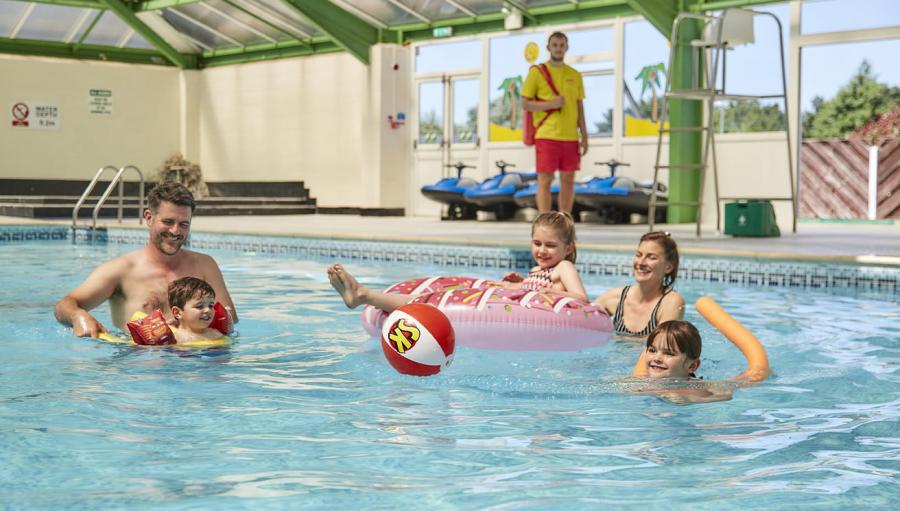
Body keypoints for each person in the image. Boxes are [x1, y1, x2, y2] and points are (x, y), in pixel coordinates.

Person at [55, 181, 237, 337]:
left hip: (197, 364)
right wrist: (79, 317)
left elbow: (229, 318)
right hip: (142, 366)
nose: (175, 231)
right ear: (149, 218)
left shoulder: (205, 265)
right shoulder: (122, 270)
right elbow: (65, 305)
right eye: (168, 222)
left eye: (183, 224)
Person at [328, 211, 589, 312]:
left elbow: (580, 297)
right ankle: (365, 295)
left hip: (497, 312)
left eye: (551, 246)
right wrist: (521, 282)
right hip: (494, 301)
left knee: (431, 303)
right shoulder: (540, 269)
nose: (542, 251)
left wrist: (530, 289)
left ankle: (363, 295)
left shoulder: (564, 266)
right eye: (537, 243)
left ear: (568, 249)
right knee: (436, 296)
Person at [521, 31, 588, 215]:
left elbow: (579, 107)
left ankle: (564, 220)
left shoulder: (575, 75)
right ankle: (544, 220)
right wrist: (550, 104)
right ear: (548, 47)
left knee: (568, 179)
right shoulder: (537, 73)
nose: (558, 48)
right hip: (546, 134)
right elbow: (525, 103)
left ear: (566, 47)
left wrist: (585, 135)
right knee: (545, 179)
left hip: (571, 136)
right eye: (555, 45)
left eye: (562, 45)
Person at [593, 231, 685, 339]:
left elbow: (661, 347)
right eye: (638, 255)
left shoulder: (670, 302)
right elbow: (580, 320)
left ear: (668, 267)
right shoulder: (616, 298)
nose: (641, 262)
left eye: (651, 257)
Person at [631, 320, 734, 403]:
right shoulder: (642, 383)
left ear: (692, 366)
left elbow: (726, 393)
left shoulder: (695, 388)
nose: (657, 358)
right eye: (652, 350)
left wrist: (692, 399)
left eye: (669, 353)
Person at [166, 276, 225, 343]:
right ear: (177, 313)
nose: (208, 310)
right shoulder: (175, 337)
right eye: (199, 306)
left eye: (210, 306)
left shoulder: (215, 334)